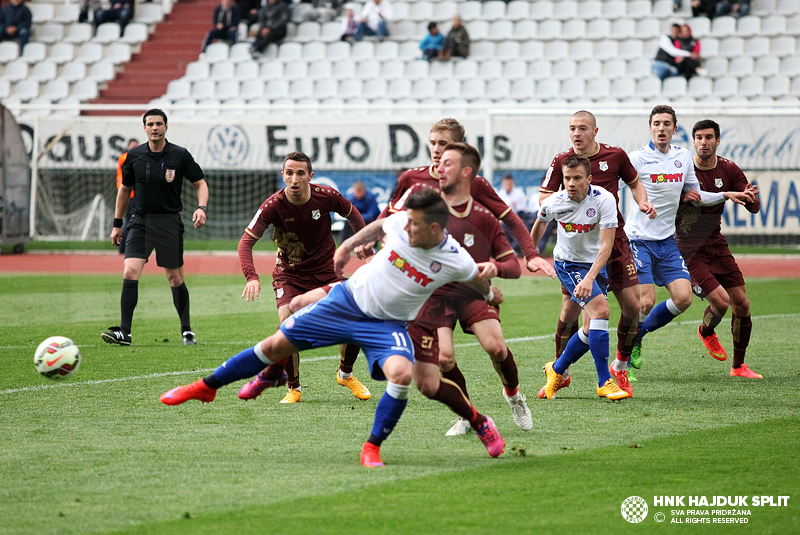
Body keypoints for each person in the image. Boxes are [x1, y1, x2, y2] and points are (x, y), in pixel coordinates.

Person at [160, 188, 506, 468]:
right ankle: (206, 386)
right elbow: (379, 226)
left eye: (414, 225)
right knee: (274, 345)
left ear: (434, 229)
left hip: (386, 324)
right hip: (345, 302)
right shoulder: (404, 222)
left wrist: (492, 291)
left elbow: (479, 284)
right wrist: (346, 247)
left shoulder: (455, 258)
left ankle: (373, 447)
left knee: (403, 375)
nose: (406, 228)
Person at [626, 105, 755, 373]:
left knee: (684, 300)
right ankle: (623, 359)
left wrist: (726, 195)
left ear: (675, 129)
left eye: (667, 124)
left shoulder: (682, 157)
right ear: (649, 127)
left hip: (668, 241)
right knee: (646, 301)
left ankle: (637, 335)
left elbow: (696, 194)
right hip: (640, 238)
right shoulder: (636, 158)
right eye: (657, 123)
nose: (661, 128)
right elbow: (613, 188)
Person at [236, 151, 370, 404]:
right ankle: (294, 387)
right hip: (290, 275)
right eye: (289, 173)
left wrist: (367, 249)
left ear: (310, 176)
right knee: (287, 325)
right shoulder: (273, 205)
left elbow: (353, 214)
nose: (294, 179)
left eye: (300, 173)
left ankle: (345, 373)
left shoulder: (326, 196)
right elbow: (245, 243)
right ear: (283, 176)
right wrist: (251, 276)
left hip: (327, 272)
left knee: (358, 315)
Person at [537, 110, 655, 397]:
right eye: (572, 129)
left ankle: (619, 368)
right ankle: (563, 371)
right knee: (574, 311)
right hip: (578, 247)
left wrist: (642, 202)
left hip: (613, 243)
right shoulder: (562, 162)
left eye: (582, 128)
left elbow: (635, 183)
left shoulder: (615, 156)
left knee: (632, 305)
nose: (576, 134)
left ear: (595, 131)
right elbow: (544, 202)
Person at [420, 143, 532, 435]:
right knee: (444, 359)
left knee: (496, 348)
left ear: (466, 171)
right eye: (439, 162)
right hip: (436, 296)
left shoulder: (482, 217)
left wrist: (494, 268)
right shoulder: (427, 211)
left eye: (447, 163)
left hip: (474, 293)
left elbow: (513, 267)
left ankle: (514, 395)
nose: (439, 168)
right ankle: (468, 415)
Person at [376, 118, 555, 278]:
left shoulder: (474, 182)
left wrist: (531, 254)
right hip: (423, 267)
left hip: (465, 268)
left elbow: (509, 217)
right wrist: (368, 241)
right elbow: (389, 211)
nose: (436, 149)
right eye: (432, 143)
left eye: (443, 143)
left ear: (458, 147)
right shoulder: (412, 177)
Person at [102, 109, 208, 347]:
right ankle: (125, 333)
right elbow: (123, 190)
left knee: (175, 278)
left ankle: (187, 330)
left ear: (166, 127)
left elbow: (200, 183)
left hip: (169, 223)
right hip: (139, 222)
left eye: (159, 124)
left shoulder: (180, 155)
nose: (155, 128)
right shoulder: (134, 156)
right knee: (130, 271)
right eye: (150, 124)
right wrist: (117, 224)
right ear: (144, 128)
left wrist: (201, 208)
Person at [531, 155, 629, 401]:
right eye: (567, 178)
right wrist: (530, 254)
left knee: (588, 328)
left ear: (589, 179)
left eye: (577, 178)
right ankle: (604, 381)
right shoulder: (555, 202)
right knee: (602, 313)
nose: (571, 183)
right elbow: (540, 224)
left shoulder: (604, 200)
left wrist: (590, 278)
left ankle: (556, 369)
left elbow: (606, 246)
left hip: (595, 263)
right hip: (568, 263)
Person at [676, 119, 762, 378]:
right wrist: (682, 198)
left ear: (717, 141)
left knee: (742, 305)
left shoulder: (729, 169)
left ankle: (738, 366)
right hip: (689, 250)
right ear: (693, 141)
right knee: (721, 303)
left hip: (717, 244)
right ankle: (706, 331)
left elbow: (754, 206)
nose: (704, 142)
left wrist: (750, 199)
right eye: (699, 138)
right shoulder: (682, 170)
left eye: (709, 138)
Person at [115, 138, 139, 255]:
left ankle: (124, 247)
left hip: (128, 193)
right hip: (130, 194)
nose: (135, 148)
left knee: (129, 220)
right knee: (130, 221)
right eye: (133, 146)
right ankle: (124, 247)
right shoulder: (127, 157)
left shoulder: (123, 157)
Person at [496, 174, 530, 256]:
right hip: (502, 220)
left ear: (513, 183)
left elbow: (521, 212)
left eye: (510, 184)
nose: (508, 186)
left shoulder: (519, 194)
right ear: (503, 184)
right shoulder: (499, 194)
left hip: (516, 219)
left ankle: (512, 248)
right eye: (506, 184)